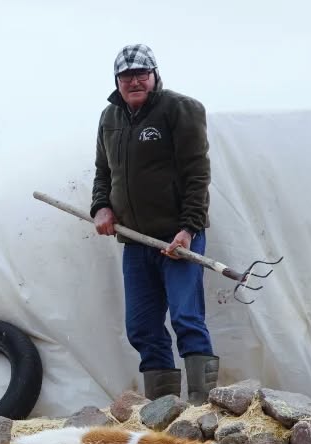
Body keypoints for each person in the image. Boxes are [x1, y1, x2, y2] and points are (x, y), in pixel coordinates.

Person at [89, 44, 218, 404]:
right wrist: (101, 207)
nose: (134, 81)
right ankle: (164, 412)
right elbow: (103, 172)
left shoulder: (180, 109)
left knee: (186, 319)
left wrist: (189, 228)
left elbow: (197, 174)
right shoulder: (109, 118)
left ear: (154, 75)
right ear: (117, 81)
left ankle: (201, 411)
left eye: (141, 74)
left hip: (177, 238)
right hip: (136, 242)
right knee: (142, 328)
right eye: (126, 75)